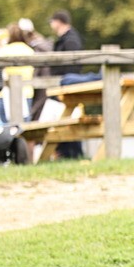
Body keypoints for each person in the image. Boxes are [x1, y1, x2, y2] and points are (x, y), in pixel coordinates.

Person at [50, 10, 94, 158]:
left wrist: (67, 81)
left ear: (58, 21)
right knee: (65, 118)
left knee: (70, 118)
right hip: (65, 84)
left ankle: (73, 153)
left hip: (69, 86)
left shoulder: (70, 40)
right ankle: (66, 152)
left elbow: (73, 65)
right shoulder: (66, 39)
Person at [0, 23, 34, 122]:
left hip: (5, 94)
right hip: (26, 92)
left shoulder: (3, 51)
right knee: (25, 128)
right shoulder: (29, 50)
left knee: (6, 128)